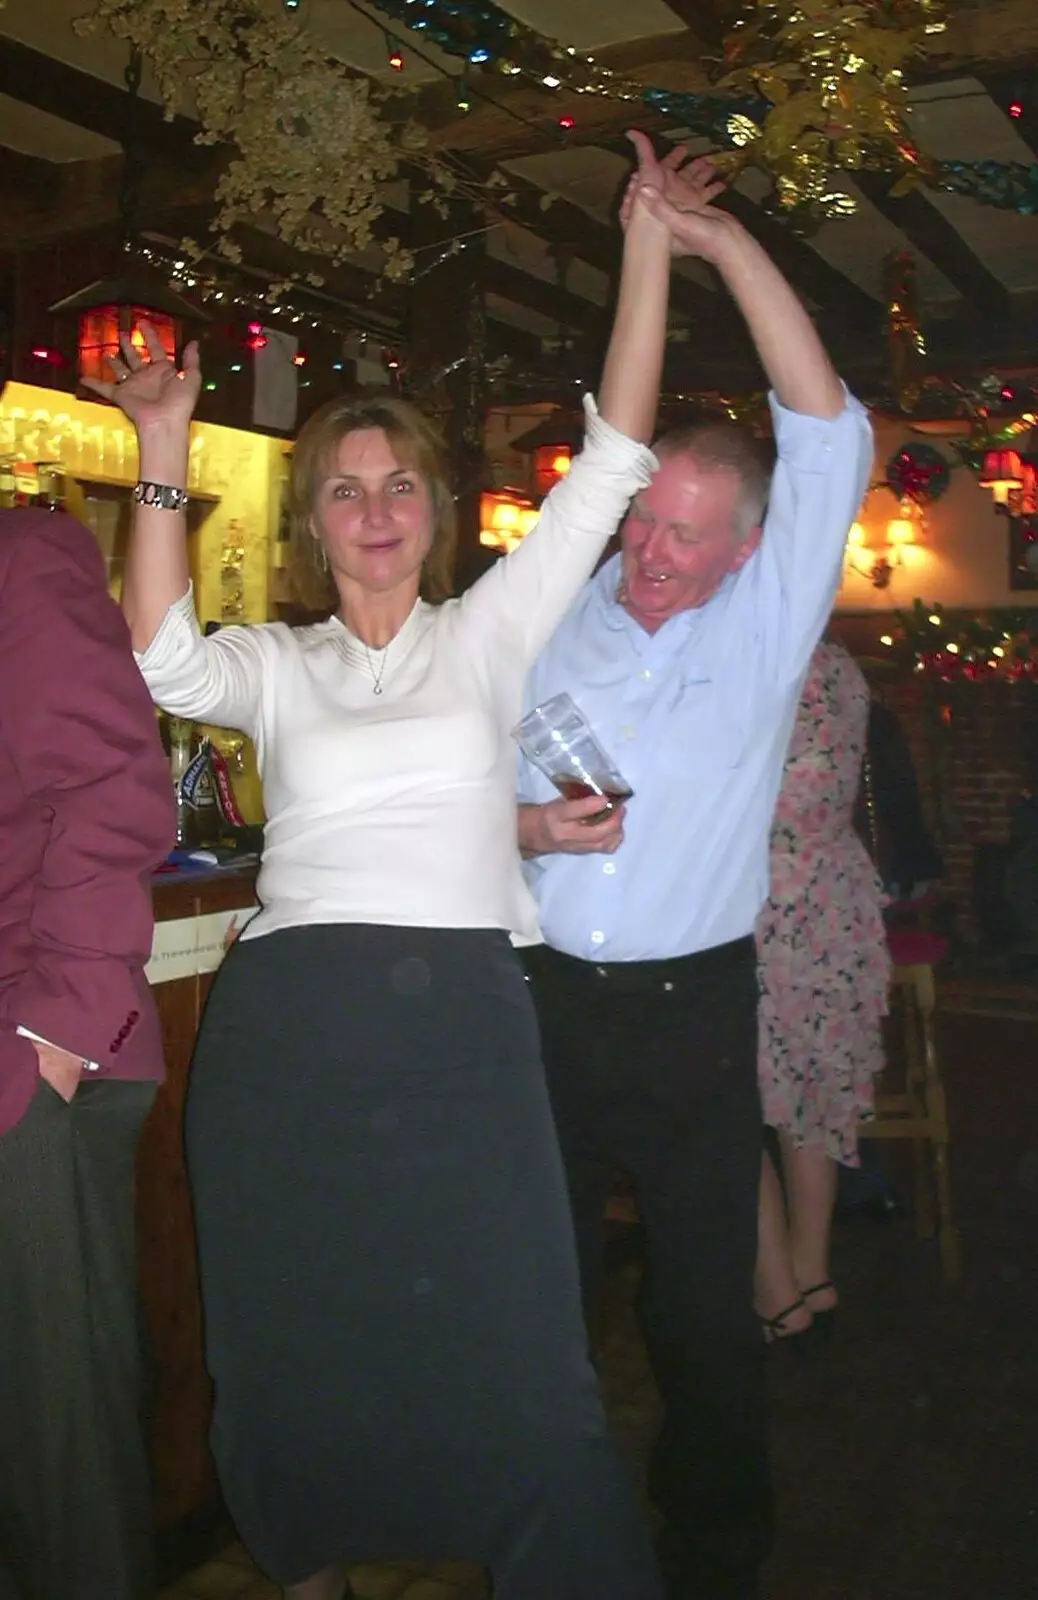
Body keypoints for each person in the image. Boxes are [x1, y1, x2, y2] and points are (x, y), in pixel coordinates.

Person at [83, 135, 711, 1600]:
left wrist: (646, 245)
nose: (374, 509)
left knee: (516, 1331)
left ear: (435, 512)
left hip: (458, 1031)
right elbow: (155, 654)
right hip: (290, 1031)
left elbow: (614, 457)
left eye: (401, 486)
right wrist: (163, 450)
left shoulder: (485, 635)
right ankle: (305, 1554)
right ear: (314, 526)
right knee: (289, 1331)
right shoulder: (280, 663)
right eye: (345, 489)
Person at [517, 151, 874, 1600]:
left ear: (746, 550)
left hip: (685, 1008)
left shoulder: (763, 625)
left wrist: (716, 239)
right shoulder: (560, 603)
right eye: (641, 522)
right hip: (537, 997)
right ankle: (536, 1513)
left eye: (682, 534)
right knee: (535, 1286)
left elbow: (826, 423)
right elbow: (472, 797)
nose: (649, 552)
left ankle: (716, 1540)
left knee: (700, 1313)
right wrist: (528, 833)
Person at [0, 508, 174, 1600]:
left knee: (57, 1466)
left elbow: (115, 786)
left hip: (25, 1073)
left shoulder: (25, 556)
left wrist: (55, 1037)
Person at [753, 639, 891, 1345]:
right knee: (810, 1098)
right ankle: (810, 1274)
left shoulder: (750, 661)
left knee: (722, 1101)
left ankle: (776, 1291)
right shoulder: (839, 663)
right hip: (833, 896)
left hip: (760, 904)